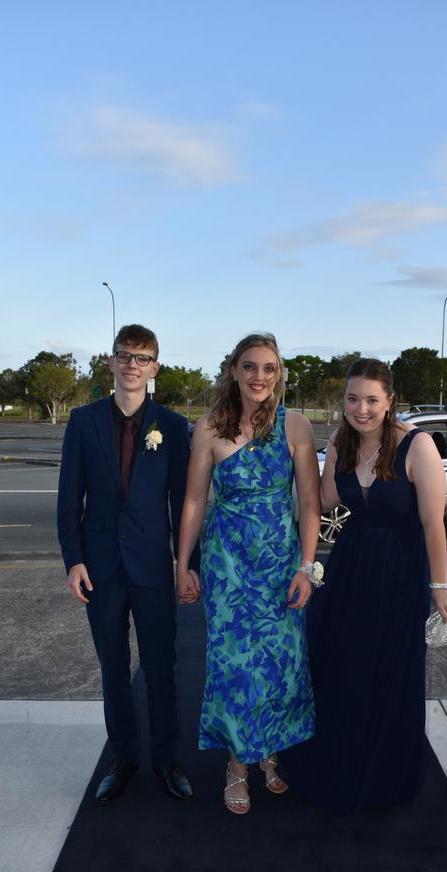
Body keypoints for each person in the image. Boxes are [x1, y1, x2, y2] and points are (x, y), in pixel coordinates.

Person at [283, 358, 447, 815]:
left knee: (389, 670)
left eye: (371, 400)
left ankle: (383, 775)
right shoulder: (340, 441)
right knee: (340, 664)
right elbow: (323, 501)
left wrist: (439, 584)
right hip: (351, 567)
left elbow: (432, 522)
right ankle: (339, 762)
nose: (361, 409)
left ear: (389, 401)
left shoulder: (417, 445)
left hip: (400, 570)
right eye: (353, 398)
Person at [176, 332, 320, 815]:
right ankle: (238, 765)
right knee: (235, 667)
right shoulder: (208, 429)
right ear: (234, 370)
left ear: (279, 374)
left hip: (281, 566)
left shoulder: (295, 426)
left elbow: (308, 502)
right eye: (250, 366)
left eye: (269, 368)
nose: (260, 377)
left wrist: (307, 567)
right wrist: (183, 565)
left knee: (280, 664)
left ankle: (270, 751)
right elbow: (195, 501)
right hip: (228, 568)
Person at [57, 324, 194, 804]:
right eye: (124, 356)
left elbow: (186, 504)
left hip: (154, 568)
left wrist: (187, 564)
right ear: (111, 362)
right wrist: (73, 561)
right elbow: (68, 499)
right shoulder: (82, 420)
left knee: (161, 667)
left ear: (155, 366)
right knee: (113, 667)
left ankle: (166, 760)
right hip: (100, 568)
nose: (132, 364)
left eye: (142, 357)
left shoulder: (174, 428)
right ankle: (124, 758)